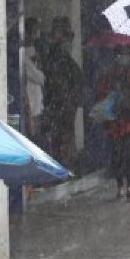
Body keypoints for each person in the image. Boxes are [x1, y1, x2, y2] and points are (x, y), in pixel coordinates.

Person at [95, 46, 130, 199]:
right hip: (116, 121)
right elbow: (101, 91)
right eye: (120, 54)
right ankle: (120, 185)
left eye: (125, 54)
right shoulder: (110, 73)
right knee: (117, 154)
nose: (122, 57)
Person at [42, 17, 85, 166]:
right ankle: (61, 164)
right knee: (59, 136)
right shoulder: (54, 55)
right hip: (58, 103)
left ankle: (63, 164)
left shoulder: (61, 57)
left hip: (63, 103)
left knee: (64, 136)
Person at [22, 17, 46, 141]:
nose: (38, 32)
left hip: (36, 102)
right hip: (31, 103)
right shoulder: (24, 55)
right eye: (35, 29)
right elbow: (39, 78)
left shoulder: (34, 51)